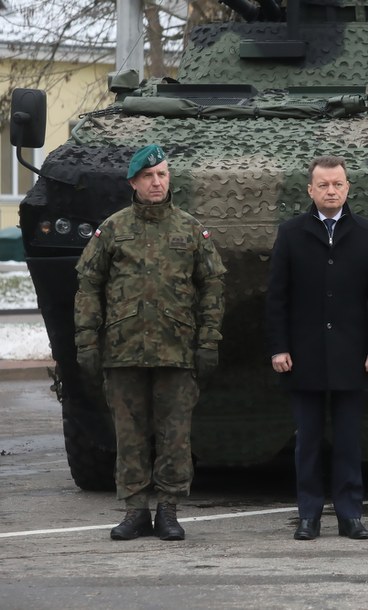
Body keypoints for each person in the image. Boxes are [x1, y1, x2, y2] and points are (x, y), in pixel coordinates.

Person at [74, 144, 226, 541]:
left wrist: (208, 341)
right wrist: (86, 341)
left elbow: (212, 287)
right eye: (148, 176)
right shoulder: (113, 229)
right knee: (130, 435)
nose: (156, 182)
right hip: (122, 350)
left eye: (161, 174)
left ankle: (169, 511)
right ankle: (135, 511)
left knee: (175, 434)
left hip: (177, 350)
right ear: (133, 183)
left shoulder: (190, 229)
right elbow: (89, 286)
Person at [265, 155, 368, 541]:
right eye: (323, 185)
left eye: (337, 184)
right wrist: (278, 348)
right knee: (308, 442)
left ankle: (351, 515)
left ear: (348, 187)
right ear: (310, 190)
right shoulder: (291, 233)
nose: (331, 190)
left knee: (349, 442)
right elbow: (277, 298)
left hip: (353, 357)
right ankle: (308, 515)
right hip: (304, 357)